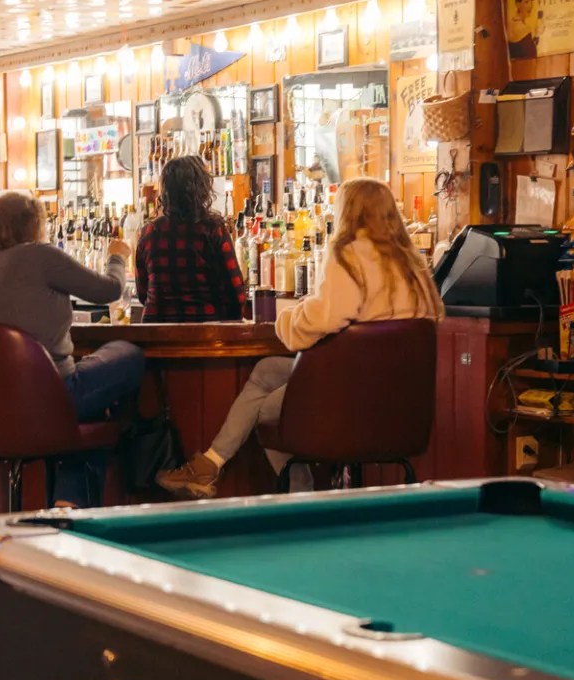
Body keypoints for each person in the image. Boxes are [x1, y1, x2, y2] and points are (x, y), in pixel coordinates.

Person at [155, 178, 446, 498]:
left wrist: (286, 319)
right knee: (266, 371)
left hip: (352, 395)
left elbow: (324, 318)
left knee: (268, 411)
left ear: (347, 212)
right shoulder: (414, 263)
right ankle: (209, 465)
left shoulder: (350, 254)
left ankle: (301, 492)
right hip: (401, 401)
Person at [0, 191, 144, 507]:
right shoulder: (42, 255)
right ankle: (72, 501)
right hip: (51, 398)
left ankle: (69, 501)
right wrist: (118, 256)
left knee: (92, 412)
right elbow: (109, 290)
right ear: (35, 225)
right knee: (128, 354)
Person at [134, 155, 247, 322]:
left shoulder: (148, 233)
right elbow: (236, 295)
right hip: (203, 333)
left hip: (155, 333)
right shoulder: (213, 231)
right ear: (201, 189)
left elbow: (142, 293)